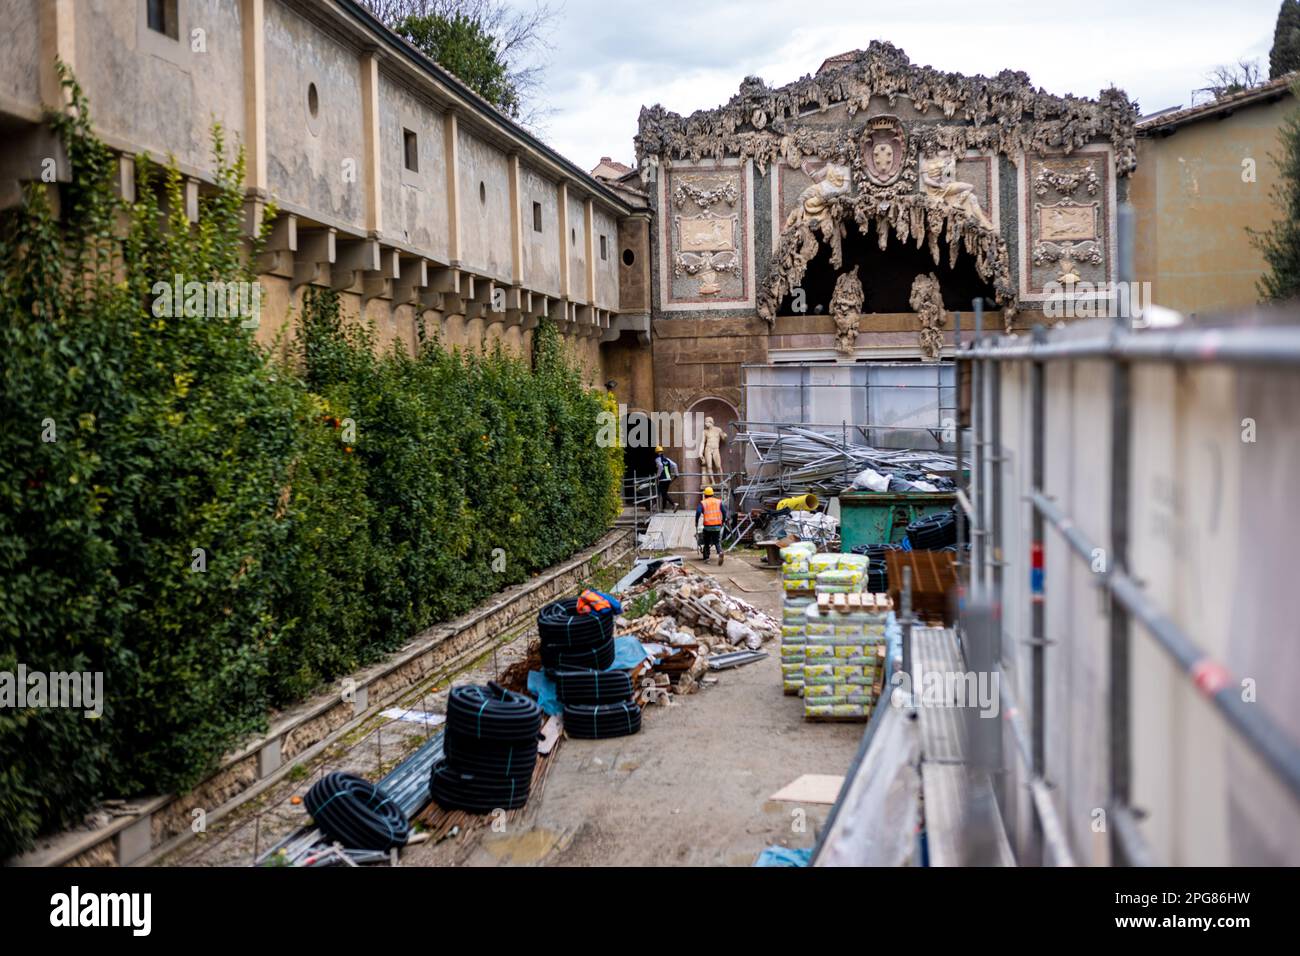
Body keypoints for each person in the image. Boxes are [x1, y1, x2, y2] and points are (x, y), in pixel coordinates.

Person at [695, 486, 728, 565]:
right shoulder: (718, 502)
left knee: (706, 542)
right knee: (716, 541)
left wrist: (696, 521)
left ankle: (707, 558)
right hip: (717, 526)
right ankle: (720, 552)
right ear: (712, 494)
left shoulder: (703, 502)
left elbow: (698, 512)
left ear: (705, 495)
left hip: (707, 526)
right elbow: (724, 512)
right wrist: (722, 521)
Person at [653, 445, 678, 511]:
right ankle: (663, 509)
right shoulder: (667, 459)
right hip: (668, 479)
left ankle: (674, 504)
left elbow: (661, 466)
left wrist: (658, 475)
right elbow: (675, 465)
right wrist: (676, 474)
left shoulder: (657, 459)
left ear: (656, 452)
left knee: (661, 492)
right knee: (664, 493)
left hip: (663, 479)